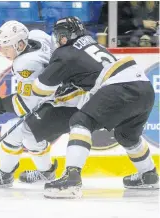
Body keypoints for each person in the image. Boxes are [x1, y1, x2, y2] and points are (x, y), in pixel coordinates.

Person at [42, 17, 159, 198]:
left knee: (81, 121)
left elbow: (43, 86)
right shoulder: (91, 44)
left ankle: (72, 178)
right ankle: (149, 175)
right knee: (127, 135)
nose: (58, 39)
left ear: (65, 36)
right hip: (143, 85)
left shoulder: (67, 51)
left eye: (59, 35)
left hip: (120, 85)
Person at [0, 20, 62, 187]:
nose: (2, 51)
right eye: (0, 46)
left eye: (6, 48)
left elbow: (25, 105)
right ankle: (46, 173)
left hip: (60, 105)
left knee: (17, 131)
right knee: (26, 132)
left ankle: (6, 175)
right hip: (59, 96)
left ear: (21, 44)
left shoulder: (25, 64)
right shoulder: (37, 36)